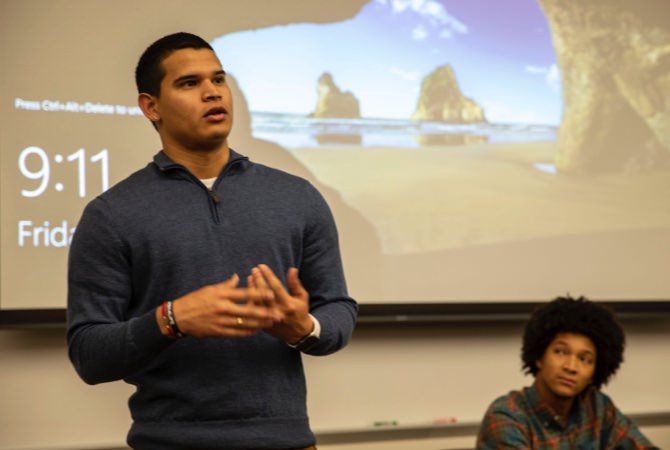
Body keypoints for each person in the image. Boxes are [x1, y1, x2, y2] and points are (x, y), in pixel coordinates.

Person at [66, 32, 357, 450]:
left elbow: (338, 307)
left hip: (288, 441)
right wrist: (172, 319)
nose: (211, 93)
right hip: (170, 442)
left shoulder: (298, 197)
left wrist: (304, 327)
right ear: (151, 106)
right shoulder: (111, 215)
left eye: (219, 80)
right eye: (189, 83)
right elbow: (88, 354)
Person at [476, 296, 658, 449]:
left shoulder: (598, 407)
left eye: (585, 359)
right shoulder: (506, 416)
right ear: (539, 357)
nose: (571, 367)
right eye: (560, 352)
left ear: (595, 372)